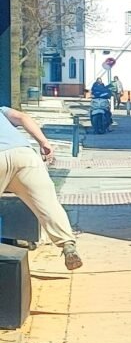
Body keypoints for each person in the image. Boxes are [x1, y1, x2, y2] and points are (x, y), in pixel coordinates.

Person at [0, 107, 81, 270]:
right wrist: (44, 142)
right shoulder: (1, 110)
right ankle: (67, 245)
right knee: (49, 205)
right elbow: (23, 117)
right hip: (25, 155)